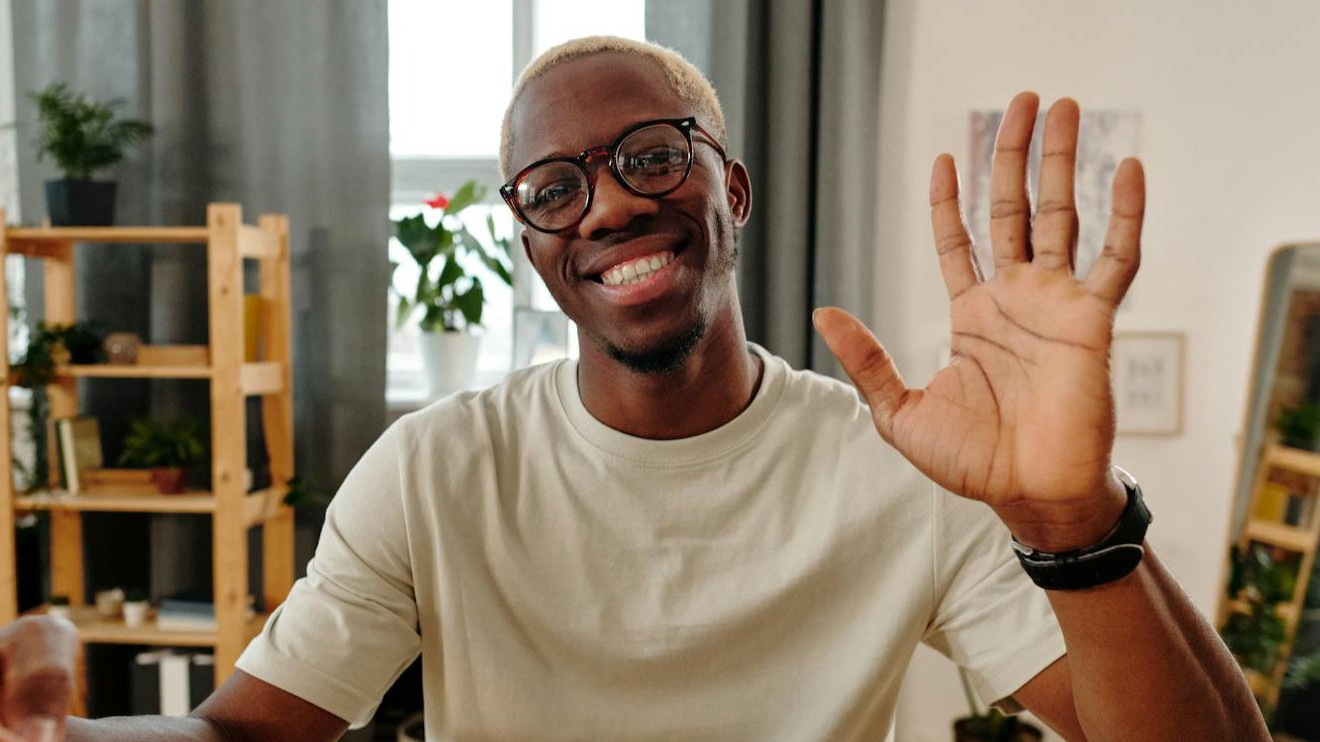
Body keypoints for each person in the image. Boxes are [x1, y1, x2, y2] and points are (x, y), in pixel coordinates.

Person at [0, 36, 1267, 742]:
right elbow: (244, 740)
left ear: (734, 190)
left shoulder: (900, 466)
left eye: (650, 155)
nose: (607, 202)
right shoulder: (437, 471)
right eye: (553, 188)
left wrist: (1075, 520)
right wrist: (64, 738)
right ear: (534, 242)